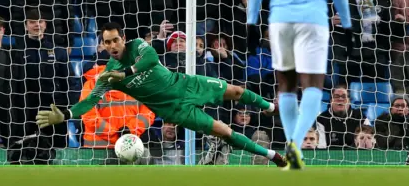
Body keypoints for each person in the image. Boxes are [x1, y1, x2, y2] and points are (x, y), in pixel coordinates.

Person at [35, 22, 286, 167]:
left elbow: (152, 58)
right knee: (224, 131)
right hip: (174, 110)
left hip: (185, 84)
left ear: (123, 39)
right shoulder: (108, 75)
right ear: (103, 44)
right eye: (107, 42)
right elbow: (90, 101)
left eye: (115, 40)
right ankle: (273, 156)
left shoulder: (138, 46)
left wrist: (128, 73)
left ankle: (272, 109)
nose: (112, 46)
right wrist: (67, 114)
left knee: (236, 91)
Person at [246, 0, 353, 170]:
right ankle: (295, 143)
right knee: (314, 86)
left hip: (280, 17)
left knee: (287, 86)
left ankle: (293, 145)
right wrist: (348, 23)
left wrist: (251, 22)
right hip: (313, 18)